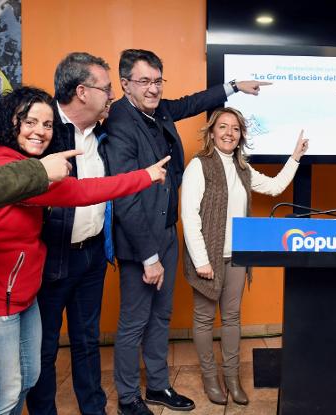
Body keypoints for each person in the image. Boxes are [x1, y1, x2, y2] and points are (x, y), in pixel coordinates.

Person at [102, 49, 270, 415]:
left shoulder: (157, 108)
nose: (153, 89)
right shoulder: (119, 122)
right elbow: (127, 196)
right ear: (125, 84)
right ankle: (129, 397)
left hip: (164, 231)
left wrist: (234, 87)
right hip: (139, 239)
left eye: (158, 81)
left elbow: (192, 102)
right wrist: (149, 256)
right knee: (134, 322)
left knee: (161, 316)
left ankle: (158, 386)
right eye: (144, 81)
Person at [0, 86, 168, 415]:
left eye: (46, 125)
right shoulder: (7, 165)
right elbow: (82, 192)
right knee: (7, 390)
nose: (40, 132)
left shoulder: (29, 162)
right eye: (30, 122)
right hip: (0, 300)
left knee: (27, 376)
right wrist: (144, 176)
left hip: (27, 294)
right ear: (10, 121)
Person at [181, 107, 308, 405]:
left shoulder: (242, 168)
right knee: (202, 320)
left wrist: (295, 157)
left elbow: (275, 187)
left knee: (232, 319)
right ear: (212, 131)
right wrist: (201, 260)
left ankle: (232, 379)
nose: (229, 133)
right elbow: (189, 215)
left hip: (236, 257)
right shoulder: (199, 165)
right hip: (206, 259)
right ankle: (210, 379)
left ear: (241, 136)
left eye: (235, 129)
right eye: (223, 127)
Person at [26, 52, 118, 415]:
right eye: (106, 88)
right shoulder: (45, 133)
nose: (111, 95)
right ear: (82, 91)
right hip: (51, 257)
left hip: (91, 255)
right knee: (45, 347)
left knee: (86, 340)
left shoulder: (101, 133)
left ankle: (93, 408)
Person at [0, 150, 81, 211]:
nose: (41, 131)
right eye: (29, 122)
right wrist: (42, 169)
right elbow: (71, 191)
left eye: (48, 125)